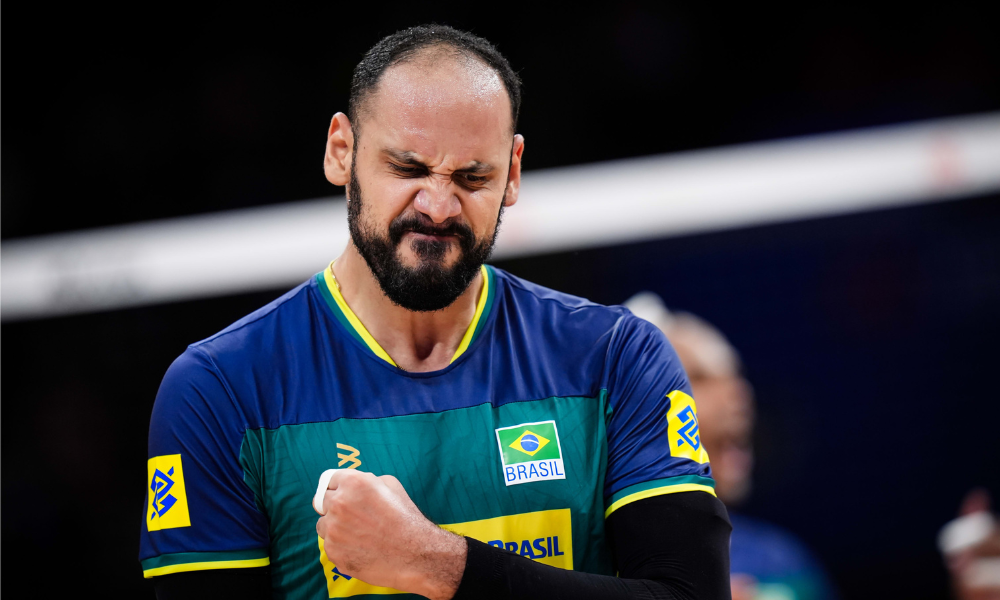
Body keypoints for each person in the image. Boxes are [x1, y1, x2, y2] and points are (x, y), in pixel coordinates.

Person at [139, 25, 732, 600]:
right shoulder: (219, 389)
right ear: (341, 152)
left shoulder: (617, 359)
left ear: (514, 172)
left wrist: (434, 563)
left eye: (473, 177)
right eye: (408, 168)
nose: (438, 206)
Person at [625, 292, 837, 600]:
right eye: (697, 377)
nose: (737, 395)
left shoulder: (779, 562)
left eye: (733, 376)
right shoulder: (581, 559)